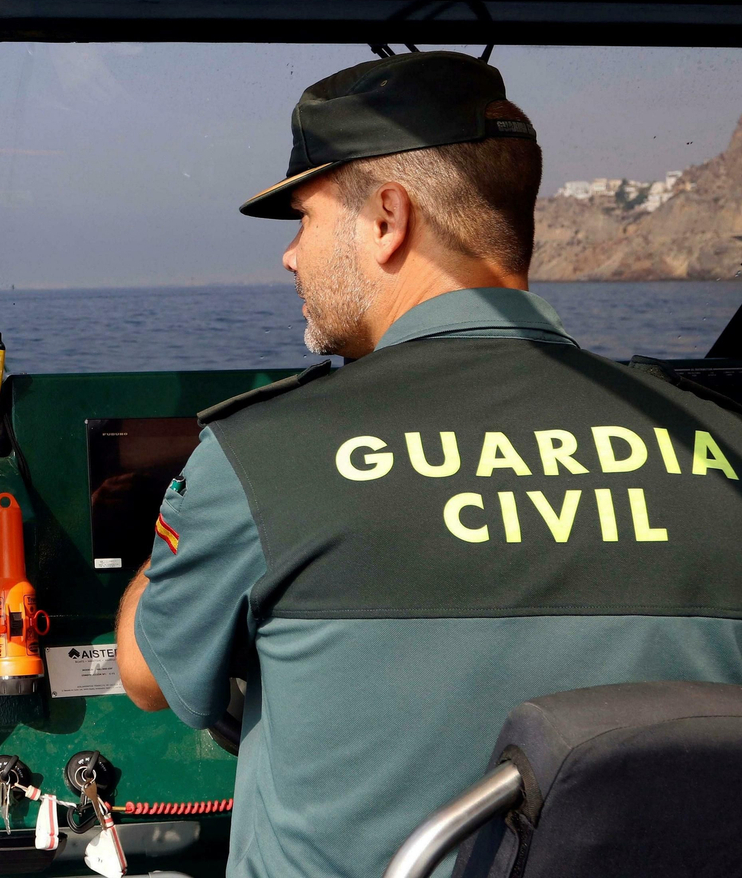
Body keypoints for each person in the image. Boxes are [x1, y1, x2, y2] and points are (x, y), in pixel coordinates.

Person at [114, 50, 742, 878]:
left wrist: (163, 553)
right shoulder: (724, 446)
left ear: (387, 218)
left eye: (304, 218)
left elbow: (148, 675)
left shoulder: (263, 458)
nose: (291, 257)